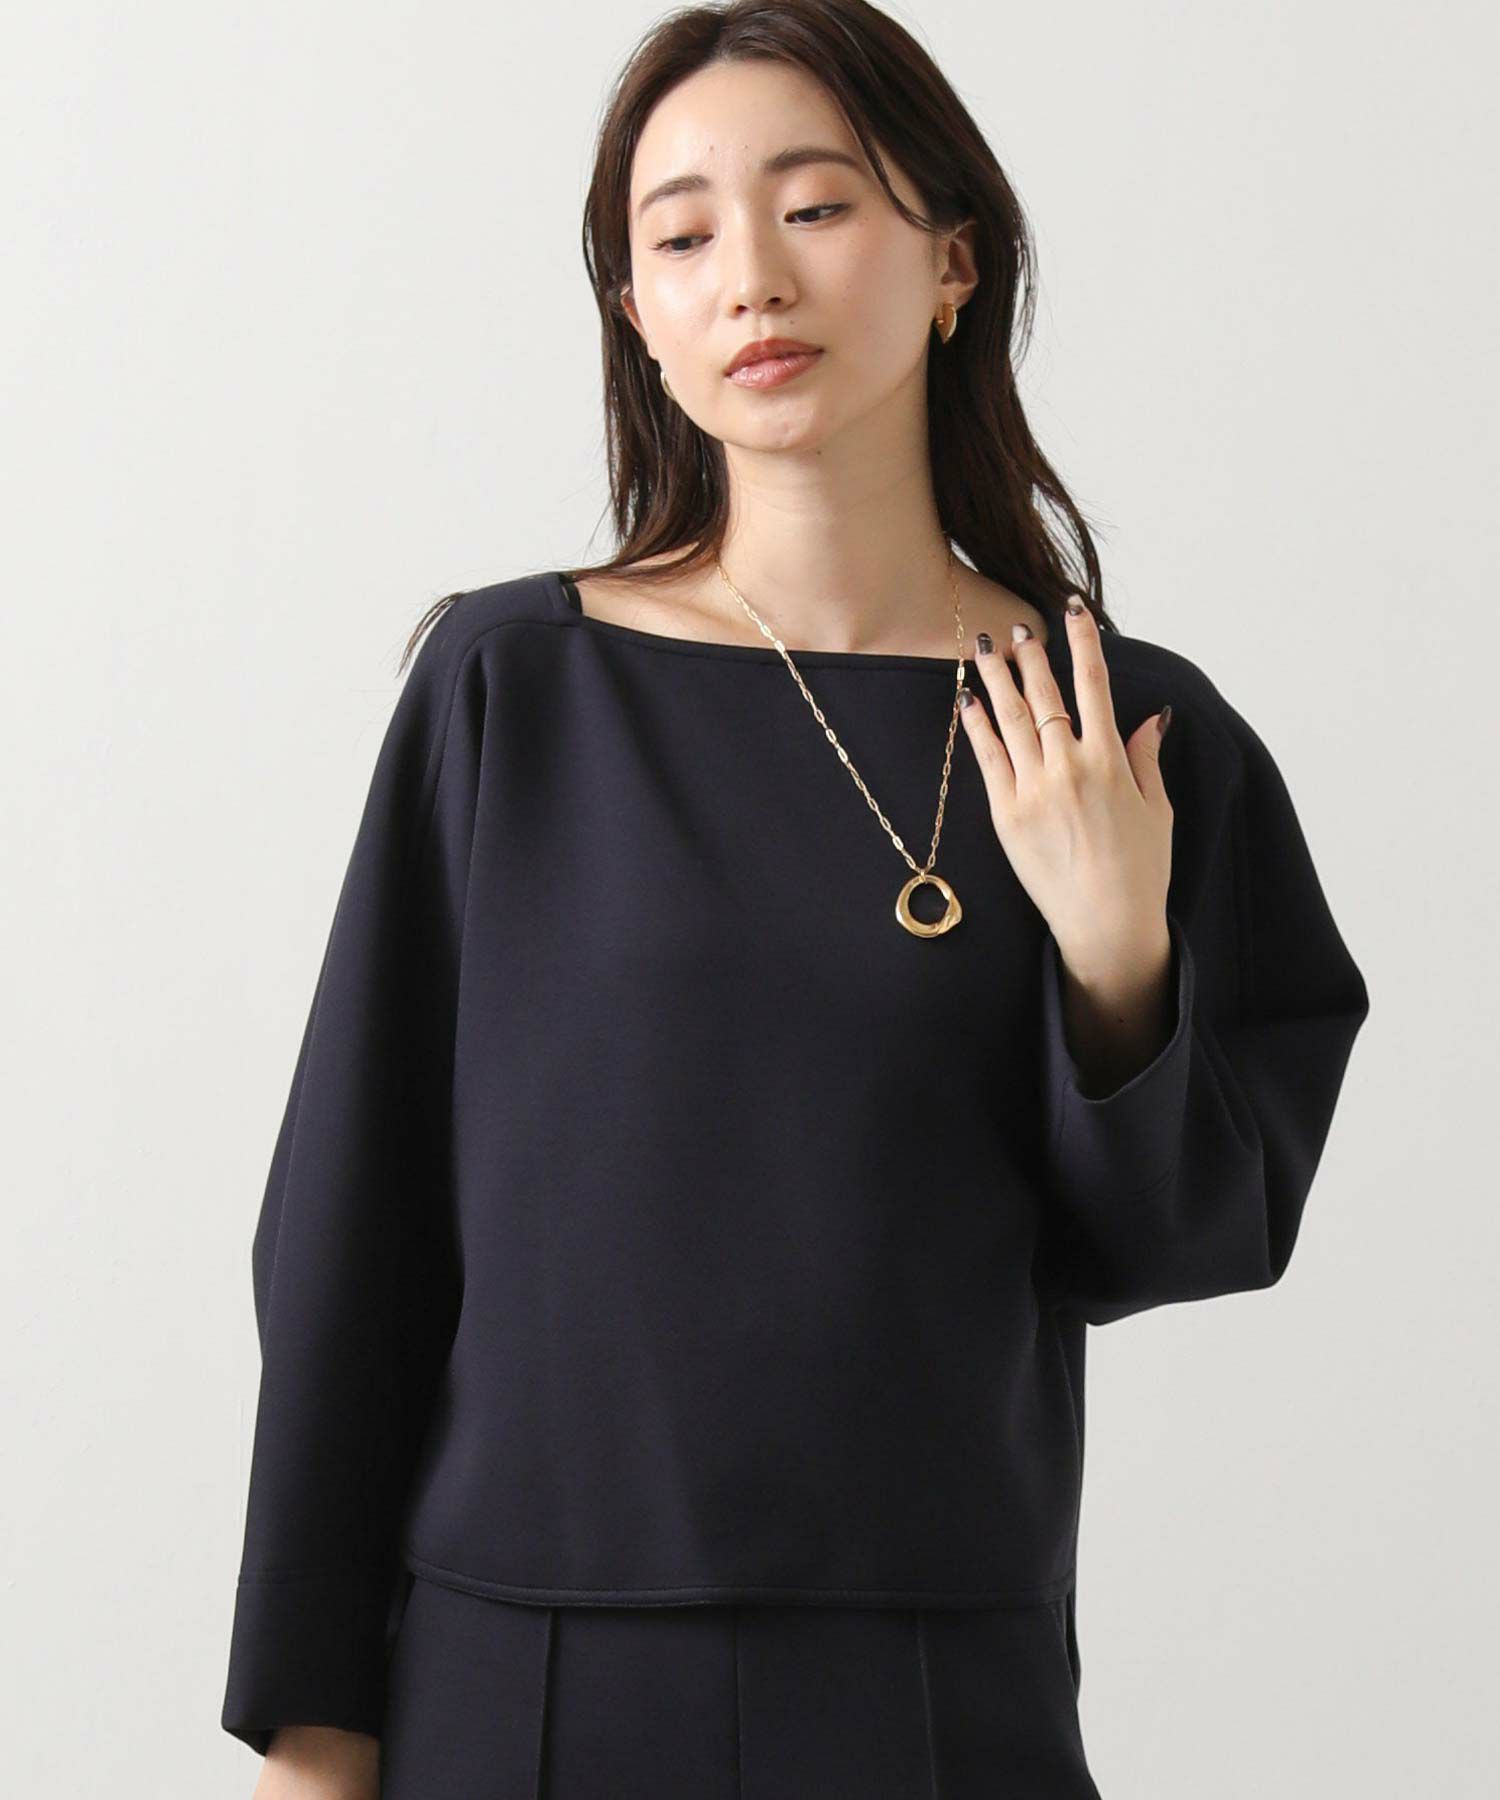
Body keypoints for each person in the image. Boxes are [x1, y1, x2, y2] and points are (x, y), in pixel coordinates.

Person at [221, 4, 1370, 1795]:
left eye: (816, 207)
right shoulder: (515, 687)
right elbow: (347, 1231)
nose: (750, 276)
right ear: (639, 317)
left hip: (937, 1683)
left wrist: (1116, 953)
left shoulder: (1123, 731)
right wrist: (311, 1731)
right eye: (681, 238)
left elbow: (1186, 1244)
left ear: (952, 259)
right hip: (516, 1674)